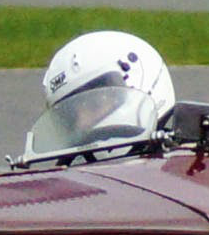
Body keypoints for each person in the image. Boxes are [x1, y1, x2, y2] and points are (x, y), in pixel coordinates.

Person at [21, 31, 176, 160]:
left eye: (94, 104)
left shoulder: (187, 169)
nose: (82, 122)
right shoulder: (72, 184)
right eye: (71, 117)